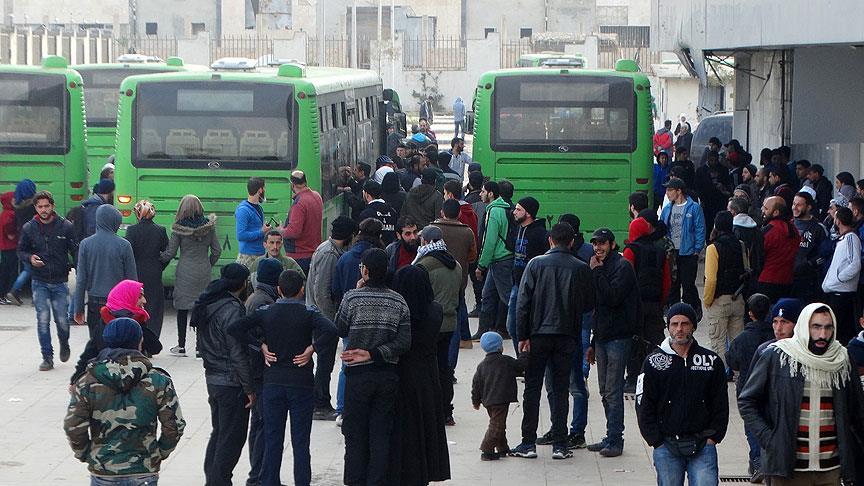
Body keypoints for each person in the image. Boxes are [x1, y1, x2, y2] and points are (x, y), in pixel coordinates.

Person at [229, 269, 337, 486]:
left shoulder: (266, 312)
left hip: (273, 382)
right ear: (301, 290)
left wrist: (259, 345)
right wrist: (313, 348)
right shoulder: (309, 313)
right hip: (301, 383)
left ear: (279, 290)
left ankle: (270, 481)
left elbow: (234, 328)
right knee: (300, 442)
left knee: (272, 440)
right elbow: (332, 330)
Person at [738, 302, 864, 485]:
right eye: (816, 327)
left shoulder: (842, 359)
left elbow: (857, 412)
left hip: (831, 469)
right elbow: (747, 401)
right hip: (789, 468)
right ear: (804, 326)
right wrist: (770, 439)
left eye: (828, 327)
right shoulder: (778, 356)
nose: (823, 334)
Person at [64, 317, 185, 486]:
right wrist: (158, 453)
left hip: (104, 470)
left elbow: (73, 426)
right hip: (143, 470)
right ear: (140, 342)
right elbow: (174, 426)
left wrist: (87, 454)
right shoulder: (158, 380)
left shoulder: (87, 381)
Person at [509, 223, 595, 460]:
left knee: (532, 388)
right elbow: (589, 303)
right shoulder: (580, 267)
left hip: (538, 335)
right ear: (572, 242)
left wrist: (523, 335)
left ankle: (528, 442)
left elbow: (523, 303)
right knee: (561, 389)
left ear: (550, 240)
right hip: (567, 335)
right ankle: (560, 443)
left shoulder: (535, 264)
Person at [335, 248, 411, 486]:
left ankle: (355, 479)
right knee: (381, 433)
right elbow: (404, 342)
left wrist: (366, 353)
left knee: (355, 432)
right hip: (387, 375)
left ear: (365, 271)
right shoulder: (399, 301)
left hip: (357, 376)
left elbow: (340, 327)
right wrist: (376, 354)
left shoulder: (352, 298)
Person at [635, 303, 729, 486]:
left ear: (693, 326)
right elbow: (644, 403)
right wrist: (655, 440)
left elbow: (720, 403)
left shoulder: (711, 362)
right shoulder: (653, 362)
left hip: (703, 444)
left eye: (684, 324)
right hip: (666, 445)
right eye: (674, 324)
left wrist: (713, 437)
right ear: (668, 326)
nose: (679, 329)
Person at [386, 265, 451, 484]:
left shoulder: (398, 312)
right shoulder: (435, 310)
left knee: (405, 427)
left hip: (402, 372)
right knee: (426, 425)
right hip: (427, 374)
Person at [197, 263, 254, 486]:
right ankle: (219, 481)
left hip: (213, 378)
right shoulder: (232, 309)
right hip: (231, 381)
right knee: (232, 437)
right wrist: (249, 388)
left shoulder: (209, 303)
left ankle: (212, 478)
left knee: (220, 432)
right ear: (242, 283)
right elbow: (237, 352)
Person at [586, 227, 640, 457]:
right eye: (595, 244)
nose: (598, 248)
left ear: (612, 244)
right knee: (604, 390)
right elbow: (597, 307)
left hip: (619, 337)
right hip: (602, 337)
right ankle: (611, 435)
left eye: (602, 243)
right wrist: (593, 341)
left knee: (613, 391)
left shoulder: (622, 267)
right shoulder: (600, 267)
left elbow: (612, 297)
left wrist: (597, 272)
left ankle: (616, 439)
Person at [17, 191, 77, 371]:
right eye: (40, 207)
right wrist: (30, 258)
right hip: (39, 281)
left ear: (52, 206)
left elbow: (75, 251)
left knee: (62, 321)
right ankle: (47, 357)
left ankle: (64, 343)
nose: (43, 210)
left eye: (46, 206)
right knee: (43, 320)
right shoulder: (29, 228)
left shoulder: (66, 226)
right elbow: (21, 251)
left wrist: (79, 270)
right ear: (35, 208)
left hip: (60, 281)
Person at [306, 216, 357, 421]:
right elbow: (321, 293)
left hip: (320, 317)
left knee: (324, 363)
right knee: (324, 364)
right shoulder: (329, 254)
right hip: (322, 318)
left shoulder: (329, 249)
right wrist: (332, 323)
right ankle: (320, 403)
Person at [70, 279, 163, 384]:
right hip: (133, 380)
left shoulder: (104, 321)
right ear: (127, 298)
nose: (144, 301)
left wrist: (75, 380)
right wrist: (140, 324)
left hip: (105, 380)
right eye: (139, 297)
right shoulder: (135, 324)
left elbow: (89, 353)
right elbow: (155, 348)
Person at [162, 195, 221, 357]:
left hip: (185, 270)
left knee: (182, 307)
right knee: (201, 307)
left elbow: (170, 252)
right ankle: (200, 347)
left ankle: (181, 346)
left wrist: (157, 260)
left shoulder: (178, 229)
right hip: (203, 270)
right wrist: (208, 263)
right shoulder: (209, 227)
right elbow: (217, 250)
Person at [414, 225, 462, 425]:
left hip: (431, 325)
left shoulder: (423, 265)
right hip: (450, 322)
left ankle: (430, 410)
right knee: (444, 368)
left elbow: (420, 297)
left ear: (425, 241)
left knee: (428, 369)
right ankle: (446, 411)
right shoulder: (456, 265)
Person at [727, 293, 775, 482]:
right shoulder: (775, 336)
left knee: (752, 426)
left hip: (748, 387)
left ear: (750, 314)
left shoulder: (742, 339)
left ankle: (757, 460)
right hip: (771, 389)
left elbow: (732, 362)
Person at [73, 205, 138, 342]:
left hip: (94, 304)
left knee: (96, 343)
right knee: (118, 342)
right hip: (119, 305)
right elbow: (132, 281)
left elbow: (81, 280)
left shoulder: (86, 244)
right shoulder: (124, 245)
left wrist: (78, 308)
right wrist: (135, 307)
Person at [622, 215, 671, 393]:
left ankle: (632, 379)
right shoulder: (660, 251)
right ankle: (658, 375)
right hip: (655, 304)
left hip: (635, 305)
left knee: (634, 342)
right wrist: (661, 302)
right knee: (655, 341)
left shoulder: (630, 250)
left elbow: (625, 279)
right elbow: (667, 282)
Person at [434, 199, 478, 365]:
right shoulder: (467, 232)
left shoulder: (433, 229)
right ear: (459, 213)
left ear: (442, 212)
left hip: (436, 283)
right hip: (458, 282)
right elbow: (472, 257)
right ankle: (450, 366)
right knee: (455, 324)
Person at [702, 211, 748, 360]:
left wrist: (707, 300)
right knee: (737, 344)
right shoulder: (740, 245)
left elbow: (711, 280)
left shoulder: (713, 248)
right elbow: (746, 270)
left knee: (718, 345)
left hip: (719, 300)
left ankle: (720, 372)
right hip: (738, 298)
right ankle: (738, 372)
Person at [472, 331, 524, 461]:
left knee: (498, 423)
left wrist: (476, 401)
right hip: (501, 399)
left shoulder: (481, 366)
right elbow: (521, 366)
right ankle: (487, 449)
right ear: (500, 347)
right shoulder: (506, 361)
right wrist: (525, 353)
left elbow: (476, 385)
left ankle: (502, 447)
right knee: (497, 425)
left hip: (487, 400)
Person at [505, 197, 548, 352]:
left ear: (528, 213)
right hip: (517, 284)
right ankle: (522, 358)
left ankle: (527, 358)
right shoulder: (518, 229)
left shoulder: (540, 234)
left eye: (518, 209)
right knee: (512, 325)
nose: (514, 212)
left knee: (524, 325)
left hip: (533, 287)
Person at [474, 180, 514, 339]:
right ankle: (484, 331)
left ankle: (518, 329)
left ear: (491, 194)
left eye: (483, 191)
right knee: (488, 295)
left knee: (507, 297)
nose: (480, 194)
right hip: (502, 258)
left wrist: (481, 265)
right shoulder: (504, 208)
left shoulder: (494, 211)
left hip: (499, 260)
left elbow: (489, 241)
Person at [660, 178, 706, 319]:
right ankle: (674, 312)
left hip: (688, 253)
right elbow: (663, 228)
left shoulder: (694, 208)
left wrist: (697, 249)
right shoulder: (667, 209)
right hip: (672, 252)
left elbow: (700, 229)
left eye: (670, 190)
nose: (667, 193)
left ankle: (693, 308)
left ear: (679, 191)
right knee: (673, 284)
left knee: (688, 285)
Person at [125, 200, 169, 338]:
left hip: (136, 273)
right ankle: (153, 338)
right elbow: (167, 253)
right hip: (155, 273)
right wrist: (160, 266)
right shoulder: (160, 230)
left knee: (136, 306)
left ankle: (139, 337)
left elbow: (128, 253)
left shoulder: (131, 230)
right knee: (154, 308)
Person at [822, 206, 862, 344]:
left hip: (842, 294)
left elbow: (855, 264)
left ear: (838, 221)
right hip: (834, 292)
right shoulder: (843, 239)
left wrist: (840, 278)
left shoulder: (851, 238)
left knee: (842, 333)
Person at [758, 196, 801, 302]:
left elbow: (759, 256)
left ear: (776, 212)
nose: (762, 210)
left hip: (767, 281)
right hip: (787, 281)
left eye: (766, 208)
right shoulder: (793, 230)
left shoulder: (769, 231)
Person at [282, 170, 324, 274]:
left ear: (292, 184)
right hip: (314, 253)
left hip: (299, 256)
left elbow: (294, 232)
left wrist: (281, 231)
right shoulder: (317, 196)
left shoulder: (299, 203)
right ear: (305, 182)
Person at [791, 192, 828, 304]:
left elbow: (825, 253)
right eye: (794, 204)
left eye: (799, 205)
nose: (795, 207)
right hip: (788, 277)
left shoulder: (819, 228)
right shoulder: (788, 225)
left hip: (809, 281)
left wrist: (810, 264)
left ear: (809, 207)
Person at [7, 179, 37, 304]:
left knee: (28, 268)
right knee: (34, 269)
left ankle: (15, 292)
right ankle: (33, 296)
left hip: (22, 239)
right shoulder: (33, 206)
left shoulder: (16, 205)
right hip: (34, 240)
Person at [695, 150, 732, 237]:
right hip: (707, 201)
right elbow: (697, 186)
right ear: (708, 159)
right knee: (708, 223)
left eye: (715, 160)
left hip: (720, 201)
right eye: (712, 160)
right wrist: (701, 199)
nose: (714, 162)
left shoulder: (723, 170)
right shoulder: (701, 171)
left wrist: (722, 187)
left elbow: (728, 184)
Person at [235, 177, 269, 268]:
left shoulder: (259, 208)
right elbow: (241, 235)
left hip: (260, 253)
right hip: (248, 256)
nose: (265, 190)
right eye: (264, 188)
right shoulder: (243, 210)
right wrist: (261, 232)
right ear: (260, 190)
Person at [358, 180, 397, 245]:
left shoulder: (366, 214)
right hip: (391, 249)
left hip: (373, 249)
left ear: (366, 194)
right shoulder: (393, 212)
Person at [0, 191, 18, 305]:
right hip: (10, 246)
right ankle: (6, 294)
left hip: (4, 247)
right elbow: (10, 233)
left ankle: (3, 294)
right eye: (14, 199)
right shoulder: (10, 214)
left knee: (5, 271)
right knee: (10, 272)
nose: (16, 201)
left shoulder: (4, 213)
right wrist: (16, 234)